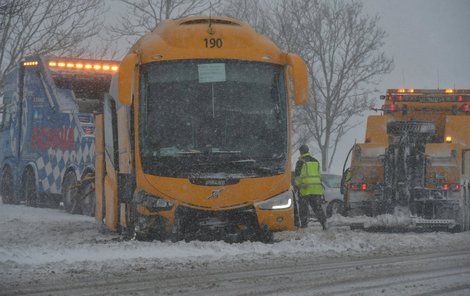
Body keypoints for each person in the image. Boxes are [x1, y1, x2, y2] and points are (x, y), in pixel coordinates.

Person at [294, 144, 327, 230]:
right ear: (308, 151)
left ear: (301, 152)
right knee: (317, 207)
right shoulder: (316, 161)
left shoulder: (300, 162)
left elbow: (297, 177)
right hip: (316, 189)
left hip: (305, 189)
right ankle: (324, 223)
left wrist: (296, 187)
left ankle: (304, 225)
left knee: (303, 208)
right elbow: (318, 174)